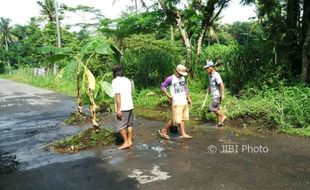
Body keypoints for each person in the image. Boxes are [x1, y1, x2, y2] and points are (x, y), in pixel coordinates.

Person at [158, 64, 192, 139]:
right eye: (180, 73)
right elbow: (163, 86)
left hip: (184, 101)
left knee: (183, 119)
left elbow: (185, 88)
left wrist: (188, 98)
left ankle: (183, 134)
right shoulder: (170, 79)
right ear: (176, 71)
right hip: (176, 102)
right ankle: (164, 130)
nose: (181, 75)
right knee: (176, 120)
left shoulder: (183, 78)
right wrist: (168, 96)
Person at [112, 64, 134, 150]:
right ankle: (129, 140)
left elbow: (118, 96)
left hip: (123, 107)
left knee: (121, 127)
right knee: (129, 124)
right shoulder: (127, 80)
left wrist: (118, 110)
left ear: (114, 72)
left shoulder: (115, 81)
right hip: (130, 105)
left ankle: (125, 142)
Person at [204, 60, 226, 127]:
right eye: (206, 68)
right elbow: (211, 84)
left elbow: (221, 84)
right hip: (213, 95)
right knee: (217, 109)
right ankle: (220, 122)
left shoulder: (216, 75)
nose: (207, 69)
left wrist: (222, 94)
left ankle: (223, 116)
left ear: (211, 67)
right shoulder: (210, 75)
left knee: (213, 109)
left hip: (217, 95)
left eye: (207, 68)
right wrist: (209, 89)